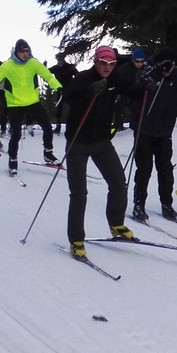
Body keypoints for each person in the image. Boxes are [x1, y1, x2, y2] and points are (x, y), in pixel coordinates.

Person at [59, 45, 151, 258]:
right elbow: (69, 98)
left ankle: (116, 224)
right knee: (79, 194)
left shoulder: (115, 79)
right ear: (96, 61)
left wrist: (147, 87)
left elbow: (132, 90)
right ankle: (76, 239)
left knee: (119, 183)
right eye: (104, 63)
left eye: (111, 64)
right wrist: (90, 90)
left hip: (101, 142)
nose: (107, 67)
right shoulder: (83, 78)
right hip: (78, 143)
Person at [130, 50, 177, 223]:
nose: (168, 69)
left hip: (164, 131)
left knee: (165, 169)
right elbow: (138, 84)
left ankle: (166, 204)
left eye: (170, 65)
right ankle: (139, 204)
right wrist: (156, 72)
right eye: (164, 65)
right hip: (144, 129)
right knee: (144, 169)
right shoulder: (148, 70)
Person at [0, 39, 63, 175]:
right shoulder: (8, 65)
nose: (25, 54)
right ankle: (12, 160)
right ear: (17, 52)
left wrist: (58, 86)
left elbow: (47, 75)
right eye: (22, 51)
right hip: (15, 104)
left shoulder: (33, 63)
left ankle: (48, 153)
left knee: (47, 127)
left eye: (27, 51)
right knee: (16, 134)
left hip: (33, 101)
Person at [49, 51, 78, 134]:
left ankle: (74, 126)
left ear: (63, 59)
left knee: (73, 108)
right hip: (60, 91)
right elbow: (46, 72)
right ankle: (58, 127)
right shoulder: (55, 68)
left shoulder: (69, 67)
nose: (59, 60)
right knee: (59, 109)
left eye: (60, 59)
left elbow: (77, 75)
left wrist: (75, 85)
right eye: (58, 59)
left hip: (70, 90)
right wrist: (44, 66)